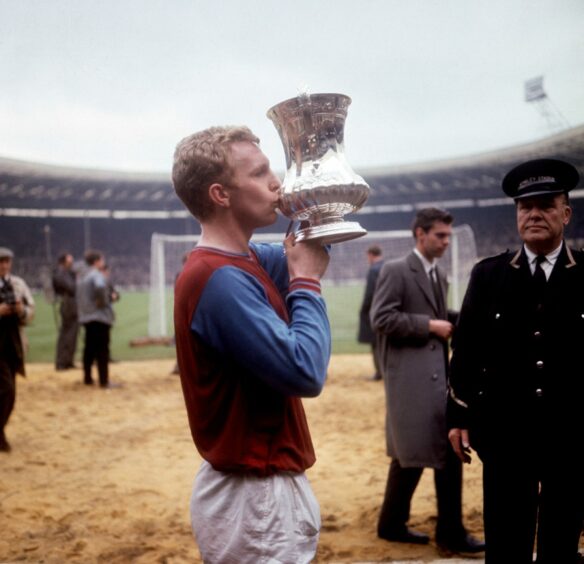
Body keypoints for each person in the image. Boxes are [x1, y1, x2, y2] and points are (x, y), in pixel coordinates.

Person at [171, 125, 331, 563]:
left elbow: (311, 245)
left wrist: (311, 200)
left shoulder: (244, 259)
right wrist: (304, 283)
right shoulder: (219, 278)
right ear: (221, 194)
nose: (276, 182)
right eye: (260, 174)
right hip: (255, 495)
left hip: (258, 487)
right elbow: (305, 370)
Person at [447, 158, 584, 563]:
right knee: (507, 545)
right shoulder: (488, 275)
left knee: (561, 544)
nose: (534, 214)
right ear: (516, 215)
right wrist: (457, 416)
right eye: (526, 207)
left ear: (566, 213)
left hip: (572, 437)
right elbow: (466, 351)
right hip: (506, 436)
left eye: (545, 204)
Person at [370, 207, 484, 553]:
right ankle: (450, 533)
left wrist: (460, 318)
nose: (447, 242)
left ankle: (391, 523)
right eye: (441, 235)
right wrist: (429, 326)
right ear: (420, 234)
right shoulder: (396, 269)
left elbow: (437, 315)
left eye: (449, 235)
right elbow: (381, 318)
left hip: (434, 376)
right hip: (412, 381)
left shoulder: (437, 274)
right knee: (444, 449)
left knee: (411, 453)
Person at [0, 247, 35, 452]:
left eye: (7, 262)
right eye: (0, 262)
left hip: (13, 344)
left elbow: (31, 311)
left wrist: (22, 310)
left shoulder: (18, 284)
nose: (4, 265)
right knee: (7, 390)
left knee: (10, 395)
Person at [76, 250, 116, 388]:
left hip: (86, 317)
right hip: (99, 317)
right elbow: (100, 287)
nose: (103, 262)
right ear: (96, 261)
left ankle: (87, 378)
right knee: (102, 350)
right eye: (101, 260)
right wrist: (105, 300)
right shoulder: (96, 275)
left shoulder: (81, 276)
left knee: (88, 349)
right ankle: (104, 381)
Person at [357, 245, 384, 380]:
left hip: (375, 311)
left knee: (375, 343)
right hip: (387, 309)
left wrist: (364, 310)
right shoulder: (387, 266)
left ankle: (380, 372)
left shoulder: (373, 270)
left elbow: (370, 294)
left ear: (370, 255)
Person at [52, 252, 79, 370]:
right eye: (69, 261)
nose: (71, 263)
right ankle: (61, 362)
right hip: (68, 305)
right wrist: (76, 281)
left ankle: (68, 361)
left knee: (72, 334)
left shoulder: (67, 273)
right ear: (63, 261)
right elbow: (72, 288)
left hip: (73, 305)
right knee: (66, 334)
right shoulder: (60, 273)